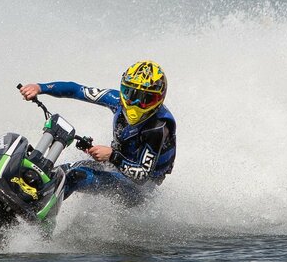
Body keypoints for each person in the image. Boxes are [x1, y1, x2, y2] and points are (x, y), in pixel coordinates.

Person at [19, 60, 176, 206]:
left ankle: (35, 220)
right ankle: (23, 197)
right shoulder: (116, 100)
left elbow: (142, 176)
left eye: (146, 99)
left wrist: (112, 156)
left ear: (159, 99)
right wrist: (40, 87)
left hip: (140, 193)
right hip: (117, 168)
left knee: (75, 176)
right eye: (130, 94)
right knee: (60, 172)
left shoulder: (158, 128)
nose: (135, 103)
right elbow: (76, 90)